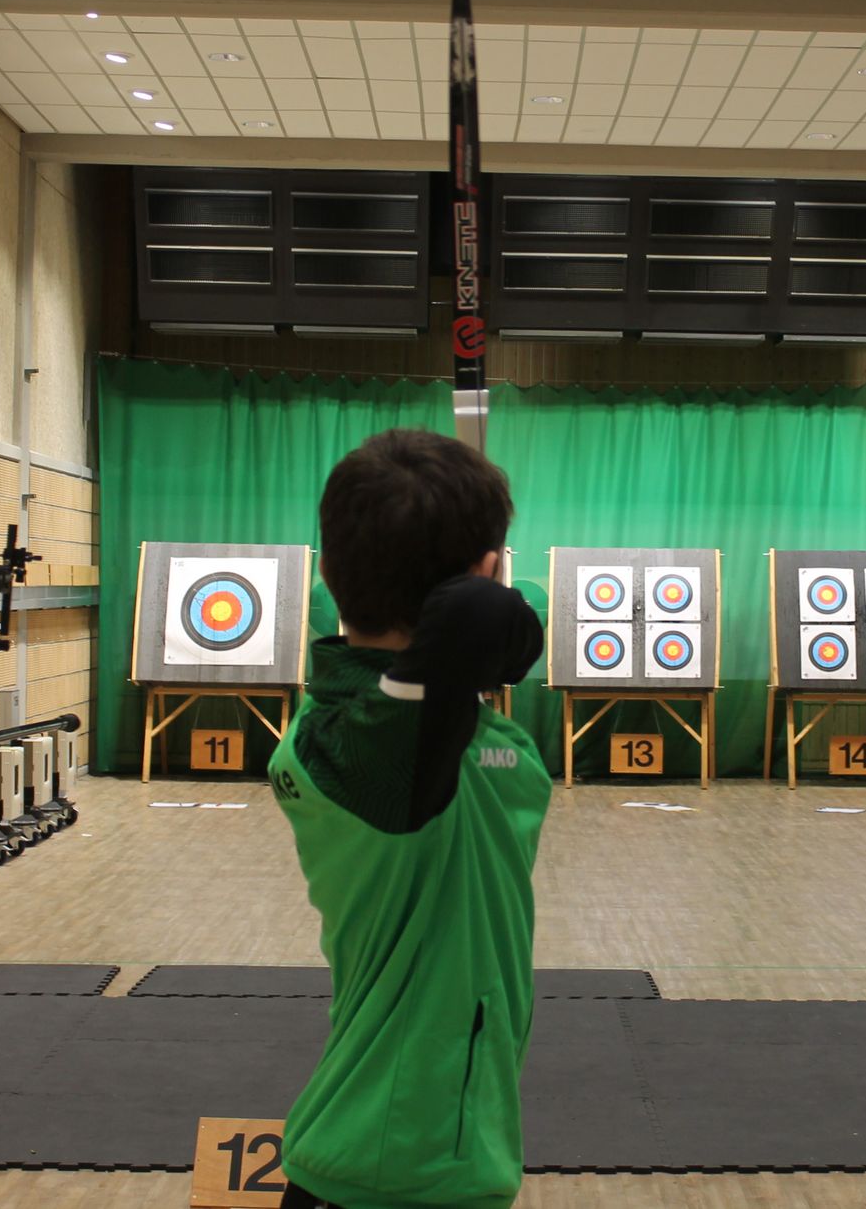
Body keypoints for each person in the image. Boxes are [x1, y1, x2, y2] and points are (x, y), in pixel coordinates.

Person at [267, 428, 549, 1209]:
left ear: (327, 573)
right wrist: (487, 590)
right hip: (398, 1172)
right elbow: (476, 618)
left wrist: (484, 592)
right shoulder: (366, 749)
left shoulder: (365, 725)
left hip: (395, 1159)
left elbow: (469, 635)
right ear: (486, 571)